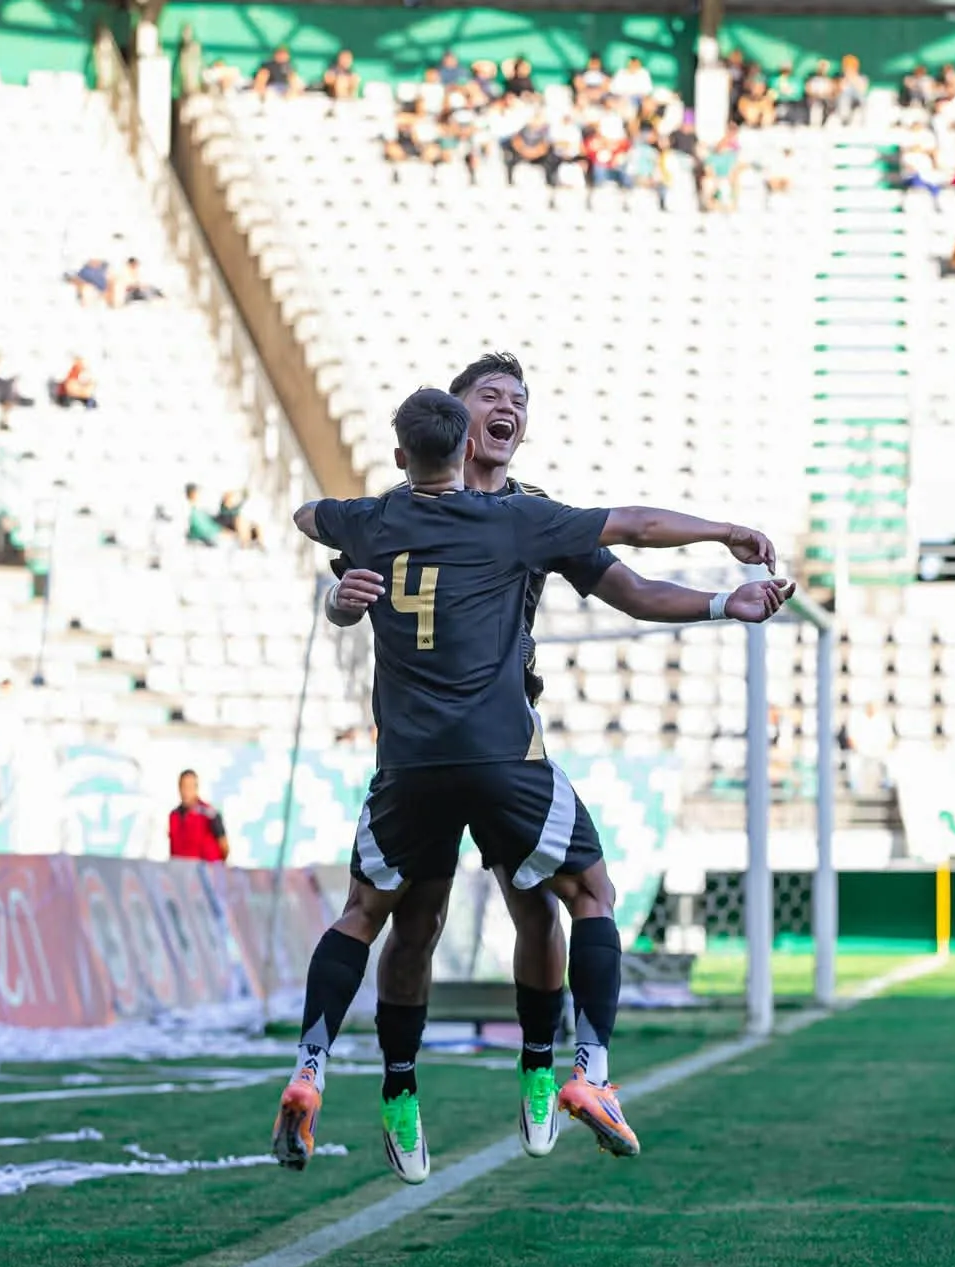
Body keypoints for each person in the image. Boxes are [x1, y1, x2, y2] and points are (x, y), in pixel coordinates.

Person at [277, 371, 790, 1182]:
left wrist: (720, 601)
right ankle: (437, 1086)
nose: (507, 406)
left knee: (526, 911)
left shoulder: (509, 508)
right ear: (459, 419)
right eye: (489, 394)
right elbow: (345, 599)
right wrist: (342, 604)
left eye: (519, 398)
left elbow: (630, 588)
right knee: (427, 923)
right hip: (486, 749)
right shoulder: (459, 515)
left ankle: (537, 1067)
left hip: (459, 744)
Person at [168, 770, 229, 862]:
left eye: (190, 787)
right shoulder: (173, 816)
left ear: (196, 788)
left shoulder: (210, 814)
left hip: (207, 872)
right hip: (182, 873)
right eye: (183, 786)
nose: (186, 791)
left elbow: (224, 847)